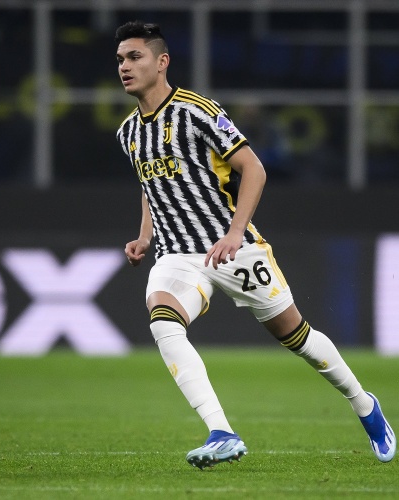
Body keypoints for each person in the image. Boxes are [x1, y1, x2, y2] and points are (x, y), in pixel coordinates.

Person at [113, 21, 395, 469]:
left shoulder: (198, 112)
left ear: (161, 61)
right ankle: (221, 432)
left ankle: (365, 404)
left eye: (135, 57)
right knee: (164, 322)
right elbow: (152, 185)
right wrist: (145, 235)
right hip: (177, 255)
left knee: (297, 337)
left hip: (234, 248)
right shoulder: (129, 131)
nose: (125, 67)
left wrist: (234, 232)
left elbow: (254, 168)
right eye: (120, 59)